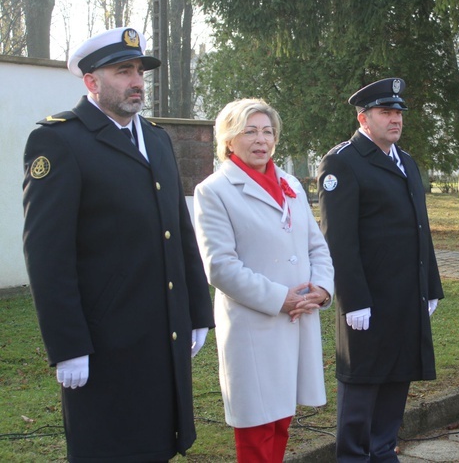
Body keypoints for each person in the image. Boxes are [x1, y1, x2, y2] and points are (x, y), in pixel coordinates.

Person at [22, 26, 215, 462]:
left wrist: (197, 311)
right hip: (105, 343)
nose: (136, 82)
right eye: (122, 71)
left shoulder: (157, 139)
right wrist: (69, 345)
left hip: (161, 335)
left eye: (140, 72)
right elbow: (47, 256)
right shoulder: (60, 141)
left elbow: (179, 231)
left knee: (158, 444)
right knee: (110, 449)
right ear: (91, 81)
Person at [193, 98, 334, 462]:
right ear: (228, 139)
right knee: (257, 426)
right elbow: (221, 266)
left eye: (268, 132)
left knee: (283, 419)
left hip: (299, 317)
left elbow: (316, 245)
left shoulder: (290, 184)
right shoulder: (214, 190)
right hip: (255, 325)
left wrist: (320, 289)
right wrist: (281, 298)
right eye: (250, 131)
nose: (261, 139)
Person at [317, 78, 444, 462]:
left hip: (406, 294)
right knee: (363, 385)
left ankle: (383, 450)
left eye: (398, 113)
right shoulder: (343, 162)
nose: (395, 119)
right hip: (368, 300)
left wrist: (431, 286)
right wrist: (353, 300)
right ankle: (355, 456)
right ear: (363, 118)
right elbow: (338, 239)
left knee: (396, 378)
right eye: (385, 112)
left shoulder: (405, 160)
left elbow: (421, 229)